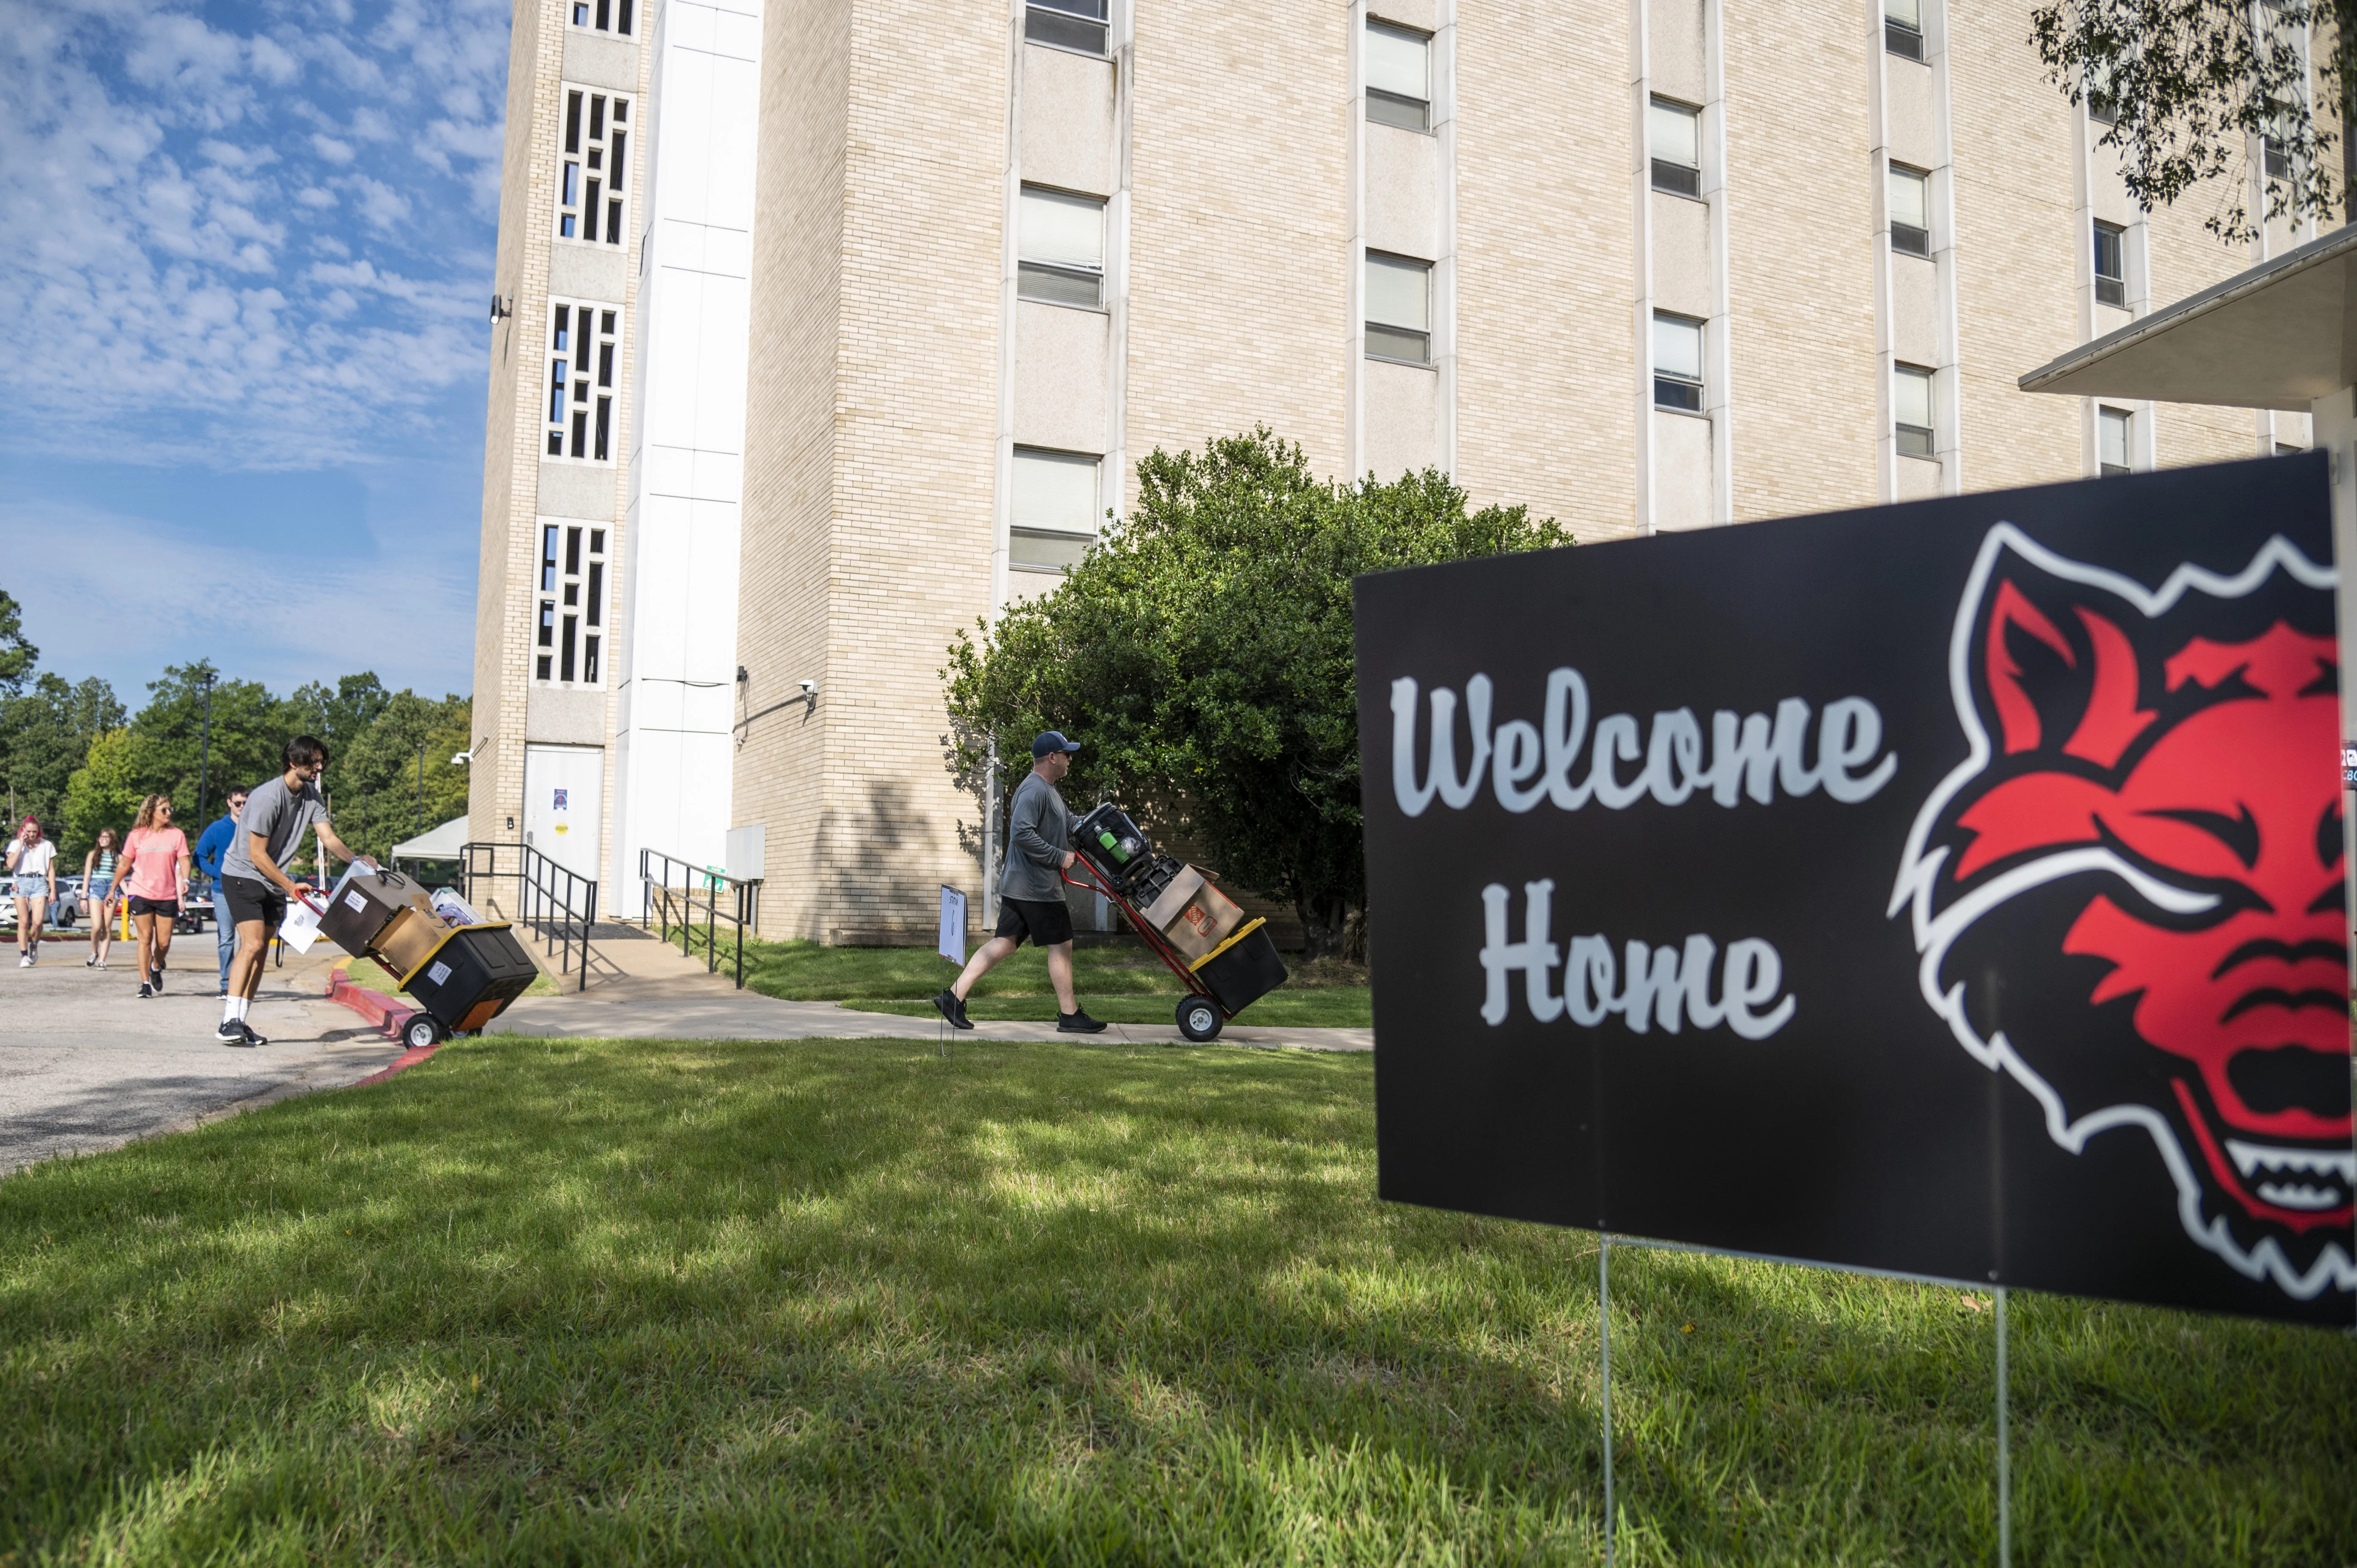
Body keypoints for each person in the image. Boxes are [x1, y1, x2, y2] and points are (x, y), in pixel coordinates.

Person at [934, 731, 1106, 1034]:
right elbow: (1021, 834)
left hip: (1022, 884)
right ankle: (1069, 1014)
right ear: (1052, 757)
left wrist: (1097, 822)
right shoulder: (1033, 791)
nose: (1069, 760)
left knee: (1005, 943)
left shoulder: (1049, 790)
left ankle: (953, 996)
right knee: (1061, 944)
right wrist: (1059, 857)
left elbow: (1069, 822)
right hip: (1036, 886)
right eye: (1066, 754)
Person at [219, 737, 374, 1048]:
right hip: (242, 875)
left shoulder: (311, 796)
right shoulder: (266, 798)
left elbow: (328, 838)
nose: (319, 767)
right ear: (293, 762)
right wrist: (290, 886)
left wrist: (356, 860)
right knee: (252, 944)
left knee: (261, 953)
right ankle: (228, 1021)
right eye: (313, 762)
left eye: (321, 762)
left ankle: (242, 1021)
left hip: (272, 880)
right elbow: (257, 855)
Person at [116, 795, 193, 998]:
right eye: (164, 810)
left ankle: (156, 967)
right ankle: (144, 984)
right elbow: (124, 864)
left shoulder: (176, 835)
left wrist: (186, 881)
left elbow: (185, 862)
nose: (169, 813)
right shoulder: (136, 836)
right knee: (145, 938)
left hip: (167, 895)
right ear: (151, 812)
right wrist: (112, 888)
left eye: (170, 810)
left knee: (164, 943)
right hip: (140, 892)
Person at [192, 786, 249, 996]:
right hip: (222, 891)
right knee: (226, 938)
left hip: (249, 891)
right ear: (229, 803)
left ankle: (243, 984)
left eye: (246, 803)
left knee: (248, 940)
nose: (242, 807)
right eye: (238, 803)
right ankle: (226, 985)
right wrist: (218, 872)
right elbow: (198, 856)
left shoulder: (255, 827)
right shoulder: (218, 828)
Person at [6, 816, 57, 968]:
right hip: (21, 882)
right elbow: (10, 865)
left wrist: (53, 889)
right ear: (23, 830)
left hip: (40, 882)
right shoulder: (15, 845)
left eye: (35, 831)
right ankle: (24, 956)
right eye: (29, 831)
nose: (32, 834)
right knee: (23, 922)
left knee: (38, 921)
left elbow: (52, 870)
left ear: (39, 831)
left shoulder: (47, 845)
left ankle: (34, 944)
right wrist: (21, 844)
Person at [82, 828, 120, 969]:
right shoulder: (93, 855)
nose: (103, 839)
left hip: (111, 890)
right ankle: (94, 952)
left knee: (107, 926)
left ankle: (103, 960)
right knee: (97, 926)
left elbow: (120, 879)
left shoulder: (118, 857)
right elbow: (86, 877)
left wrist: (130, 895)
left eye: (107, 837)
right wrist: (83, 898)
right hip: (96, 889)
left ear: (113, 840)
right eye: (101, 837)